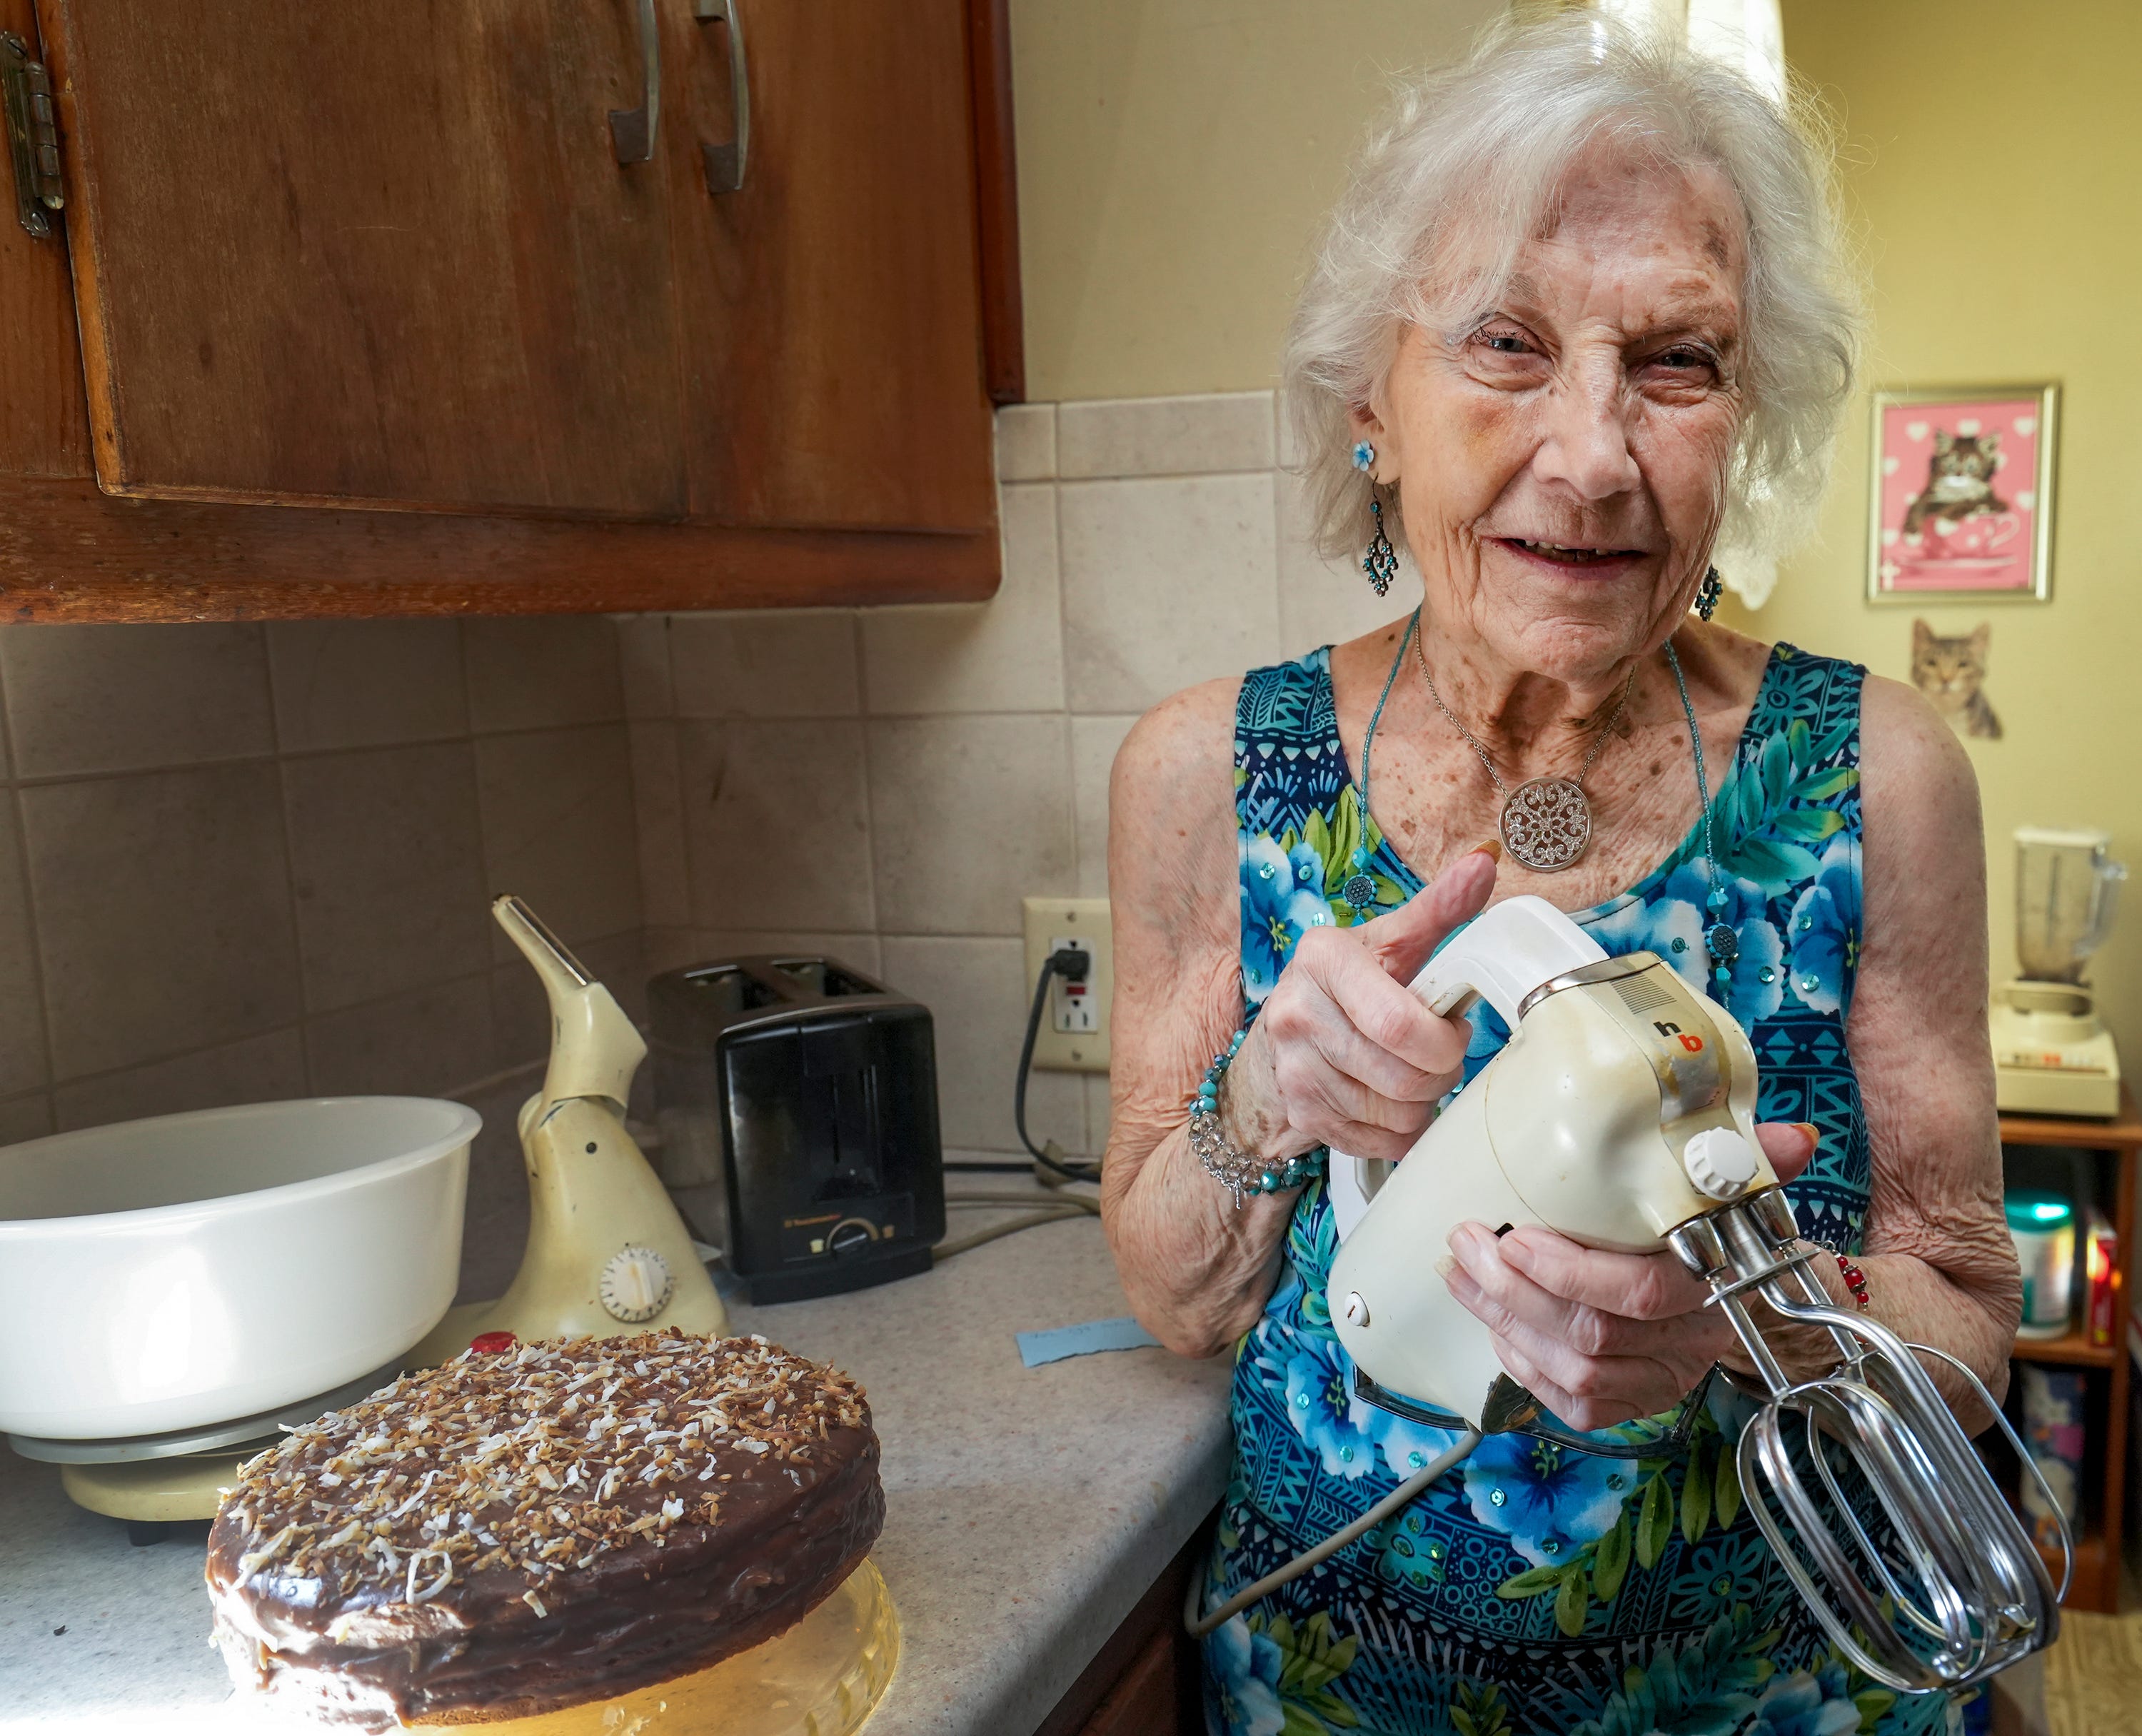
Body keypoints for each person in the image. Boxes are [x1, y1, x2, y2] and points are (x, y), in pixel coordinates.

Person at [1100, 16, 2020, 1734]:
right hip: (1338, 1691)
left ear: (1741, 420)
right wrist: (1270, 1094)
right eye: (1507, 344)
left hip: (1780, 1695)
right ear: (1375, 401)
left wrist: (1758, 1318)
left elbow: (1968, 1310)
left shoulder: (1878, 775)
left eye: (1677, 361)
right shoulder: (1202, 772)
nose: (1596, 455)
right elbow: (1167, 1282)